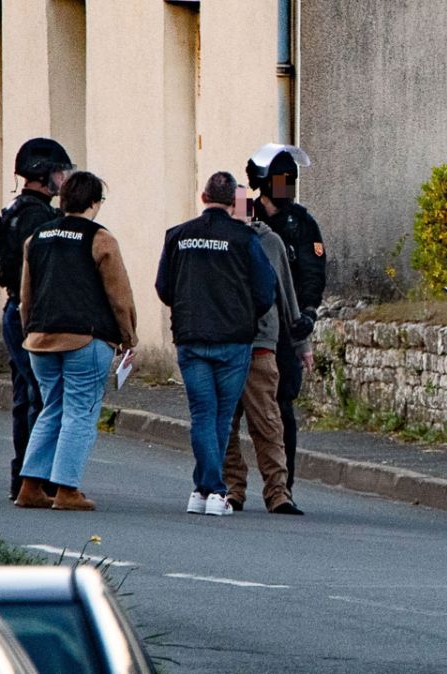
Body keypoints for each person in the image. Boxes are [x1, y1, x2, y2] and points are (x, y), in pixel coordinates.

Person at [14, 171, 137, 511]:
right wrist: (128, 336)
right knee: (81, 412)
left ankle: (30, 485)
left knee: (51, 407)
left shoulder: (36, 238)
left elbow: (28, 294)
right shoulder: (100, 239)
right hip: (86, 337)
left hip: (40, 337)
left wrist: (29, 330)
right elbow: (119, 295)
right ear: (94, 202)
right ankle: (67, 489)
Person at [157, 172, 276, 517]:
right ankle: (214, 490)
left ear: (203, 196)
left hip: (191, 336)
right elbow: (265, 291)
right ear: (231, 203)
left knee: (202, 415)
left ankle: (201, 488)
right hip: (234, 340)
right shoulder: (244, 238)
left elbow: (164, 287)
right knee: (221, 418)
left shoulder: (177, 236)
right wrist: (243, 312)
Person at [0, 137, 73, 501]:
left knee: (25, 397)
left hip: (13, 309)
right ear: (42, 175)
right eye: (57, 172)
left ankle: (23, 476)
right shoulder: (41, 220)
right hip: (31, 312)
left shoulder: (12, 212)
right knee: (44, 396)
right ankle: (37, 479)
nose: (62, 179)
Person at [222, 186, 313, 516]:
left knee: (269, 423)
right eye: (235, 206)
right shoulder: (217, 242)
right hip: (224, 345)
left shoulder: (269, 242)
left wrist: (302, 343)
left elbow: (287, 294)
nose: (241, 213)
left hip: (262, 344)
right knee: (226, 424)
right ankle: (233, 489)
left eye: (246, 207)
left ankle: (278, 492)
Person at [247, 144, 325, 498]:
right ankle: (228, 486)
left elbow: (313, 270)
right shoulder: (244, 219)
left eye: (291, 180)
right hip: (245, 327)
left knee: (283, 407)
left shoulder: (302, 223)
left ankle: (283, 485)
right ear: (262, 183)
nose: (287, 187)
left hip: (284, 329)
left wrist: (308, 313)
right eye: (280, 180)